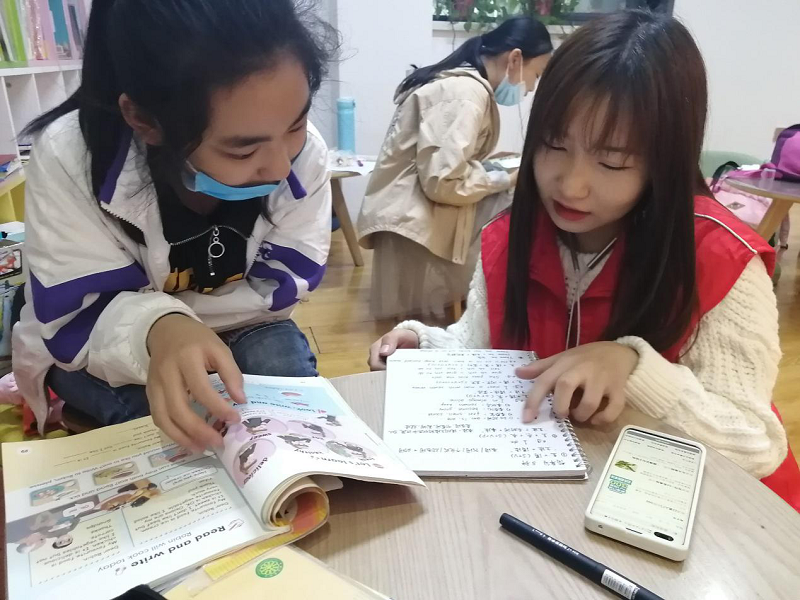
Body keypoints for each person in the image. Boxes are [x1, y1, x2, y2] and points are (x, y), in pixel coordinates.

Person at [368, 10, 798, 507]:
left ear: (665, 160)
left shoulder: (720, 257)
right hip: (574, 497)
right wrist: (424, 346)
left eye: (611, 161)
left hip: (715, 515)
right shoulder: (509, 237)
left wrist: (634, 367)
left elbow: (757, 443)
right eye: (554, 145)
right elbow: (481, 349)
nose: (571, 185)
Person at [12, 0, 338, 451]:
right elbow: (76, 316)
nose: (281, 166)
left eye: (296, 124)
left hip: (244, 323)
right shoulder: (71, 157)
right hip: (103, 339)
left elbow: (285, 286)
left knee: (286, 388)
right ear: (144, 121)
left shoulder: (304, 154)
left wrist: (193, 327)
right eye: (243, 151)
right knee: (171, 424)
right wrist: (160, 327)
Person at [357, 16, 552, 320]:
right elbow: (444, 182)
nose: (530, 89)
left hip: (407, 212)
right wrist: (504, 178)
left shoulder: (462, 86)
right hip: (413, 219)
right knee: (521, 201)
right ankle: (524, 306)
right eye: (535, 75)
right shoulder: (465, 94)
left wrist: (492, 168)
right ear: (515, 59)